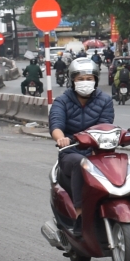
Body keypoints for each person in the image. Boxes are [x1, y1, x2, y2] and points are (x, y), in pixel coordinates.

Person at [50, 58, 116, 225]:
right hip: (71, 153)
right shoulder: (62, 101)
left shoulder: (105, 101)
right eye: (80, 79)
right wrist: (61, 139)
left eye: (89, 78)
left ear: (95, 80)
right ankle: (80, 215)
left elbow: (106, 125)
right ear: (73, 80)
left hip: (99, 152)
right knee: (81, 163)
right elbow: (56, 124)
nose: (85, 82)